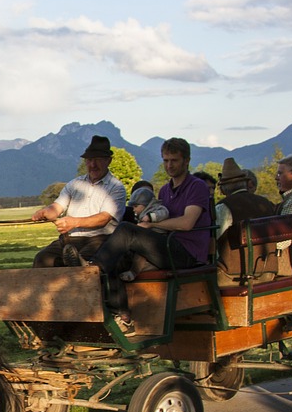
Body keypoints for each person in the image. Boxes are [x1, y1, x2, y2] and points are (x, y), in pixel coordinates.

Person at [90, 137, 213, 334]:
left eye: (174, 160)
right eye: (165, 160)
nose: (169, 165)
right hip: (165, 244)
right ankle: (119, 312)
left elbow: (187, 223)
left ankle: (91, 272)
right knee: (119, 253)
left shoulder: (196, 186)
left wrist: (151, 224)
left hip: (186, 252)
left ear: (186, 161)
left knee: (127, 230)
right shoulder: (165, 189)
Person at [30, 135, 127, 267]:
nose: (93, 165)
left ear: (108, 161)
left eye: (98, 160)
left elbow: (104, 218)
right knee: (42, 259)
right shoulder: (74, 184)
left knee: (81, 264)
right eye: (89, 160)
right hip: (69, 239)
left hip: (99, 240)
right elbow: (58, 207)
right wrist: (46, 212)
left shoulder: (116, 187)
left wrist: (74, 222)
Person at [213, 158, 276, 240]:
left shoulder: (223, 207)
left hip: (235, 252)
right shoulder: (266, 202)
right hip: (270, 252)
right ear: (245, 183)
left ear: (224, 188)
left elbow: (214, 236)